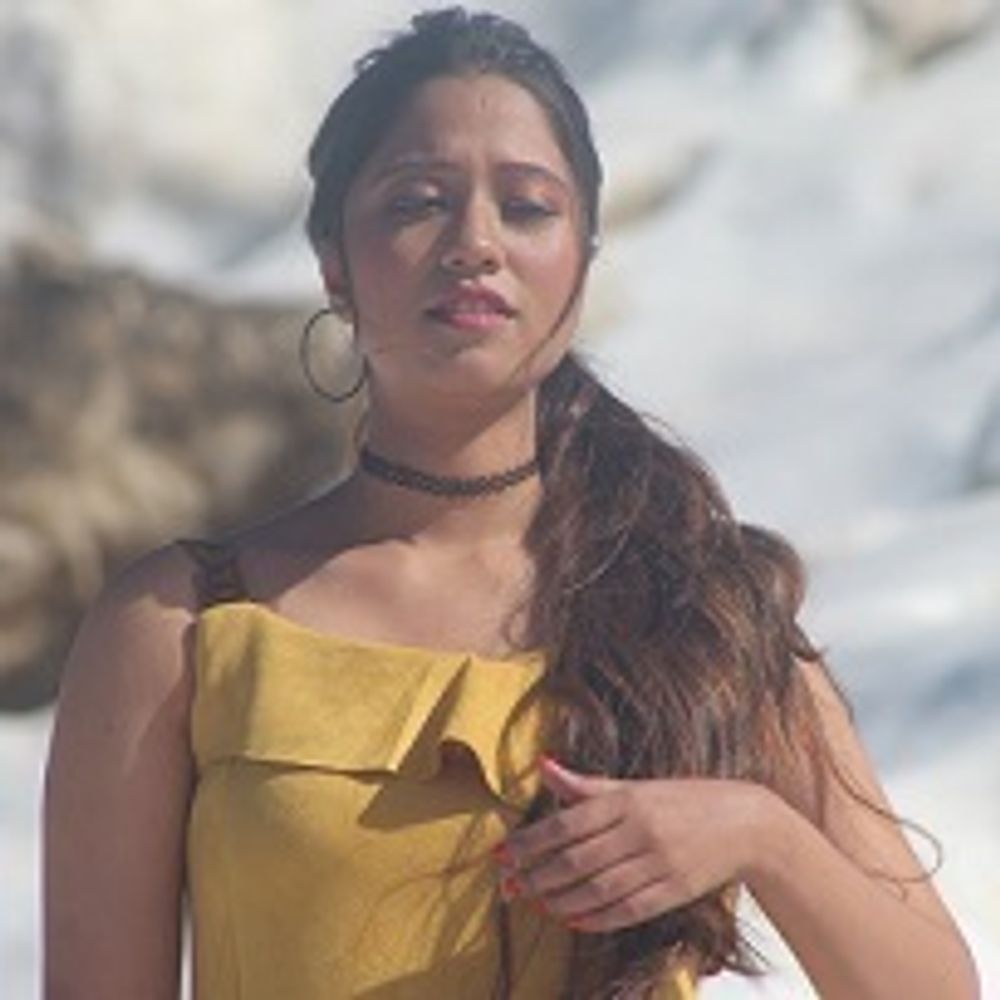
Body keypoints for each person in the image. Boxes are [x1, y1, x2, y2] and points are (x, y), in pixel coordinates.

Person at [43, 7, 978, 999]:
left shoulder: (699, 606)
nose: (475, 243)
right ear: (333, 263)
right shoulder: (181, 626)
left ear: (583, 257)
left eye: (527, 207)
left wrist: (760, 834)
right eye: (418, 202)